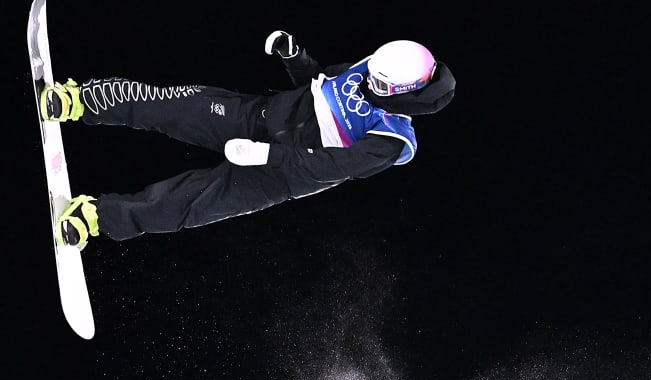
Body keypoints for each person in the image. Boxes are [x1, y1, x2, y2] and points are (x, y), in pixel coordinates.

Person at [38, 31, 456, 250]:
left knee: (188, 203)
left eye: (382, 85)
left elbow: (326, 167)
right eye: (373, 75)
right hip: (259, 115)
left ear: (407, 91)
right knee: (174, 104)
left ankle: (94, 218)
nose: (370, 83)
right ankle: (77, 100)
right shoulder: (376, 66)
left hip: (277, 174)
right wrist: (295, 58)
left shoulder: (392, 139)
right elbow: (324, 84)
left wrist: (265, 155)